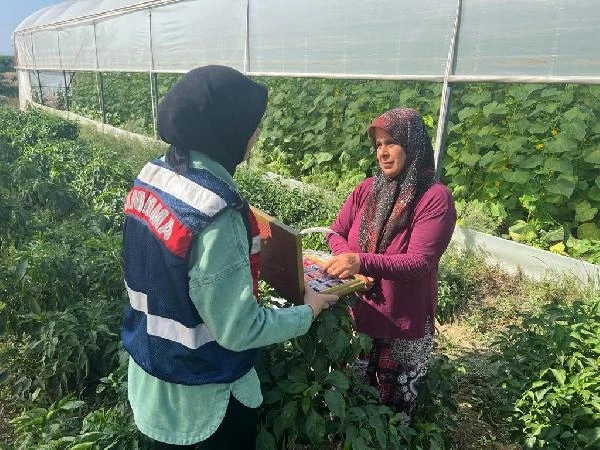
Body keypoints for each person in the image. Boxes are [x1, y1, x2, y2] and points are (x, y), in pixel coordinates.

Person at [121, 65, 338, 449]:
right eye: (251, 125)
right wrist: (309, 311)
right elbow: (239, 330)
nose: (255, 136)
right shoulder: (216, 212)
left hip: (151, 385)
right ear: (225, 127)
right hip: (202, 404)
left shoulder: (152, 175)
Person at [323, 108, 456, 418]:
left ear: (413, 146)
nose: (382, 152)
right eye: (378, 145)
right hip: (358, 311)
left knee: (389, 414)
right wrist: (349, 259)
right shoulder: (368, 189)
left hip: (400, 319)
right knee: (350, 401)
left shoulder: (434, 198)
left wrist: (361, 262)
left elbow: (420, 262)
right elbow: (336, 231)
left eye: (391, 143)